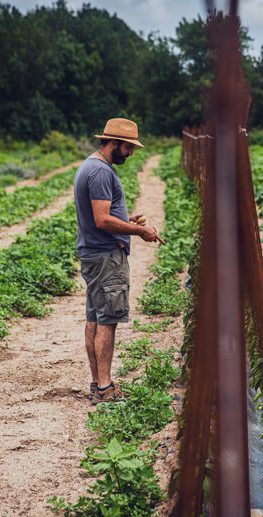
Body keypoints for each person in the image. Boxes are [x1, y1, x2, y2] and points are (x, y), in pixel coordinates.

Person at [74, 118, 165, 404]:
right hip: (105, 256)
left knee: (95, 317)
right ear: (113, 143)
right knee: (108, 321)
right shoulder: (100, 172)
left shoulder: (90, 166)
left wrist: (126, 220)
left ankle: (96, 383)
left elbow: (99, 216)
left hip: (93, 253)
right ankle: (105, 388)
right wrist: (139, 231)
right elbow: (101, 220)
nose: (130, 153)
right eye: (127, 147)